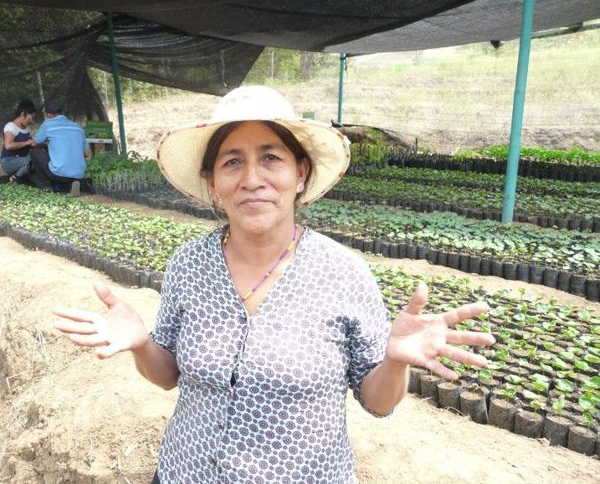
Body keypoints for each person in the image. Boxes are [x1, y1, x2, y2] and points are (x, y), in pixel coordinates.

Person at [53, 86, 495, 484]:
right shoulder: (190, 263)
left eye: (271, 158)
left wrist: (395, 362)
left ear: (300, 173)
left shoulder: (342, 273)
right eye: (232, 162)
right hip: (185, 472)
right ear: (213, 184)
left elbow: (378, 403)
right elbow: (168, 376)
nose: (251, 179)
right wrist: (142, 344)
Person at [28, 99, 89, 197]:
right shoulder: (78, 127)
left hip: (57, 173)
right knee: (65, 168)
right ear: (62, 112)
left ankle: (46, 186)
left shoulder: (48, 124)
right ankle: (72, 184)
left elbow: (34, 144)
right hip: (79, 174)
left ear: (48, 114)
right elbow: (86, 154)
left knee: (34, 152)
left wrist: (47, 145)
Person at [0, 99, 36, 183]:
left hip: (23, 159)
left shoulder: (27, 128)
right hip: (9, 161)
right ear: (23, 114)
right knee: (32, 163)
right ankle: (14, 178)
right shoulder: (10, 126)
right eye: (30, 118)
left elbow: (32, 143)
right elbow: (8, 145)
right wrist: (27, 142)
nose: (31, 121)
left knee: (38, 160)